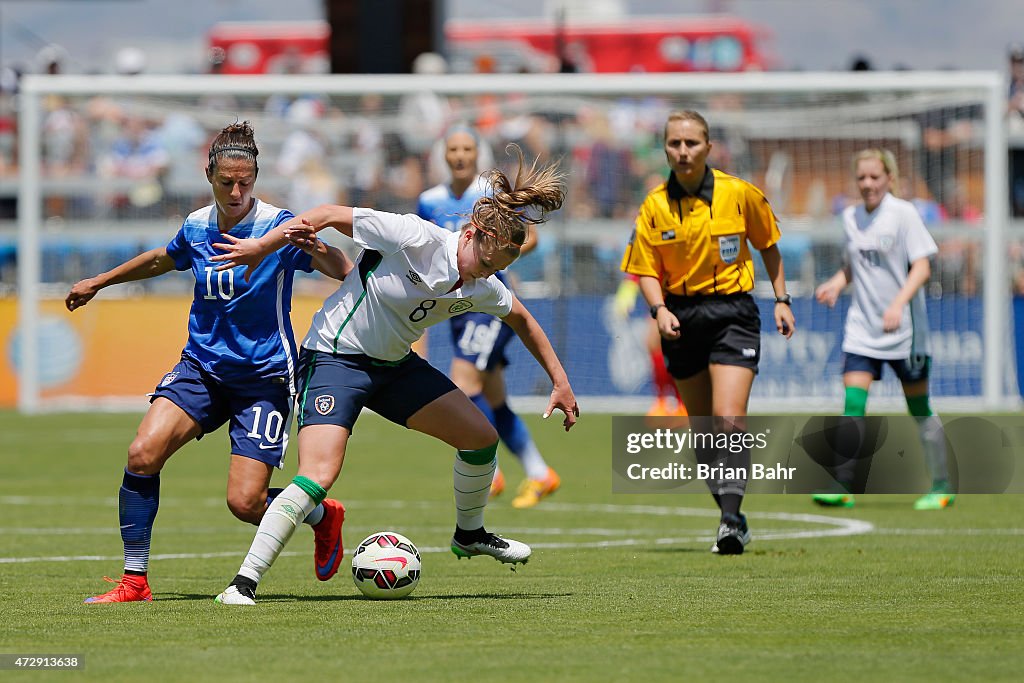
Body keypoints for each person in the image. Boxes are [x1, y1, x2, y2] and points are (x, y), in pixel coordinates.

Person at [210, 146, 579, 605]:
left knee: (481, 439)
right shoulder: (414, 236)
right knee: (319, 475)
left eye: (500, 269)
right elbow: (325, 213)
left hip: (392, 366)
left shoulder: (483, 284)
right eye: (488, 264)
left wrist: (560, 382)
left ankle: (470, 534)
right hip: (334, 358)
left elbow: (522, 319)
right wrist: (259, 247)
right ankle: (242, 584)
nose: (489, 275)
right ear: (472, 234)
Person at [66, 122, 353, 603]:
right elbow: (164, 259)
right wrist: (100, 281)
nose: (237, 192)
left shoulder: (279, 225)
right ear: (209, 176)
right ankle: (135, 581)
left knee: (244, 504)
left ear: (255, 178)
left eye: (246, 182)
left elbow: (342, 271)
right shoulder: (198, 226)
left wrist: (317, 247)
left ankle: (324, 516)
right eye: (227, 183)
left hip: (263, 379)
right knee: (142, 454)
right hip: (200, 368)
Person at [620, 110, 795, 556]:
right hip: (680, 316)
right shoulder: (654, 204)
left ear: (708, 147)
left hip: (734, 312)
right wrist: (658, 310)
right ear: (665, 149)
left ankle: (730, 521)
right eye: (674, 144)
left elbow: (769, 245)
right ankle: (731, 513)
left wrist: (781, 300)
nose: (683, 152)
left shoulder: (739, 194)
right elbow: (643, 269)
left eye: (691, 143)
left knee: (729, 419)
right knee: (703, 432)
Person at [417, 126, 561, 508]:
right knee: (494, 398)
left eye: (467, 148)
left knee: (463, 383)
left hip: (488, 303)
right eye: (453, 149)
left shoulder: (490, 196)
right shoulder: (429, 200)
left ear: (476, 154)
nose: (460, 155)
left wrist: (493, 262)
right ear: (443, 156)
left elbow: (528, 237)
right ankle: (539, 473)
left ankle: (490, 472)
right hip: (456, 306)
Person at [812, 148, 954, 511]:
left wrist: (897, 304)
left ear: (890, 178)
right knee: (852, 404)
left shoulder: (904, 214)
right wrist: (834, 283)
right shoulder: (850, 217)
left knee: (918, 406)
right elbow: (854, 265)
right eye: (862, 178)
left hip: (906, 332)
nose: (868, 184)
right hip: (863, 329)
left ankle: (942, 484)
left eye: (875, 177)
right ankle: (842, 484)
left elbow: (922, 268)